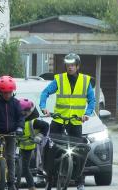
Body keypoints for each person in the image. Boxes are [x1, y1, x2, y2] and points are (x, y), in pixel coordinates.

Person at [39, 53, 95, 190]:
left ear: (77, 66)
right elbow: (45, 93)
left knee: (80, 151)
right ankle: (49, 178)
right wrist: (43, 107)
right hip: (59, 119)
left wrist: (87, 114)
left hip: (75, 122)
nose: (70, 68)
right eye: (68, 65)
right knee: (50, 148)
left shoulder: (85, 81)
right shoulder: (59, 79)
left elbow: (92, 100)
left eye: (72, 65)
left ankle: (80, 180)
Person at [18, 98, 49, 190]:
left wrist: (39, 136)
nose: (24, 114)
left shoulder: (34, 121)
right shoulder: (18, 119)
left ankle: (32, 186)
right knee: (23, 167)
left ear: (30, 111)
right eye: (22, 112)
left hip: (34, 143)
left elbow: (46, 126)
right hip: (21, 144)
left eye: (26, 112)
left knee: (31, 165)